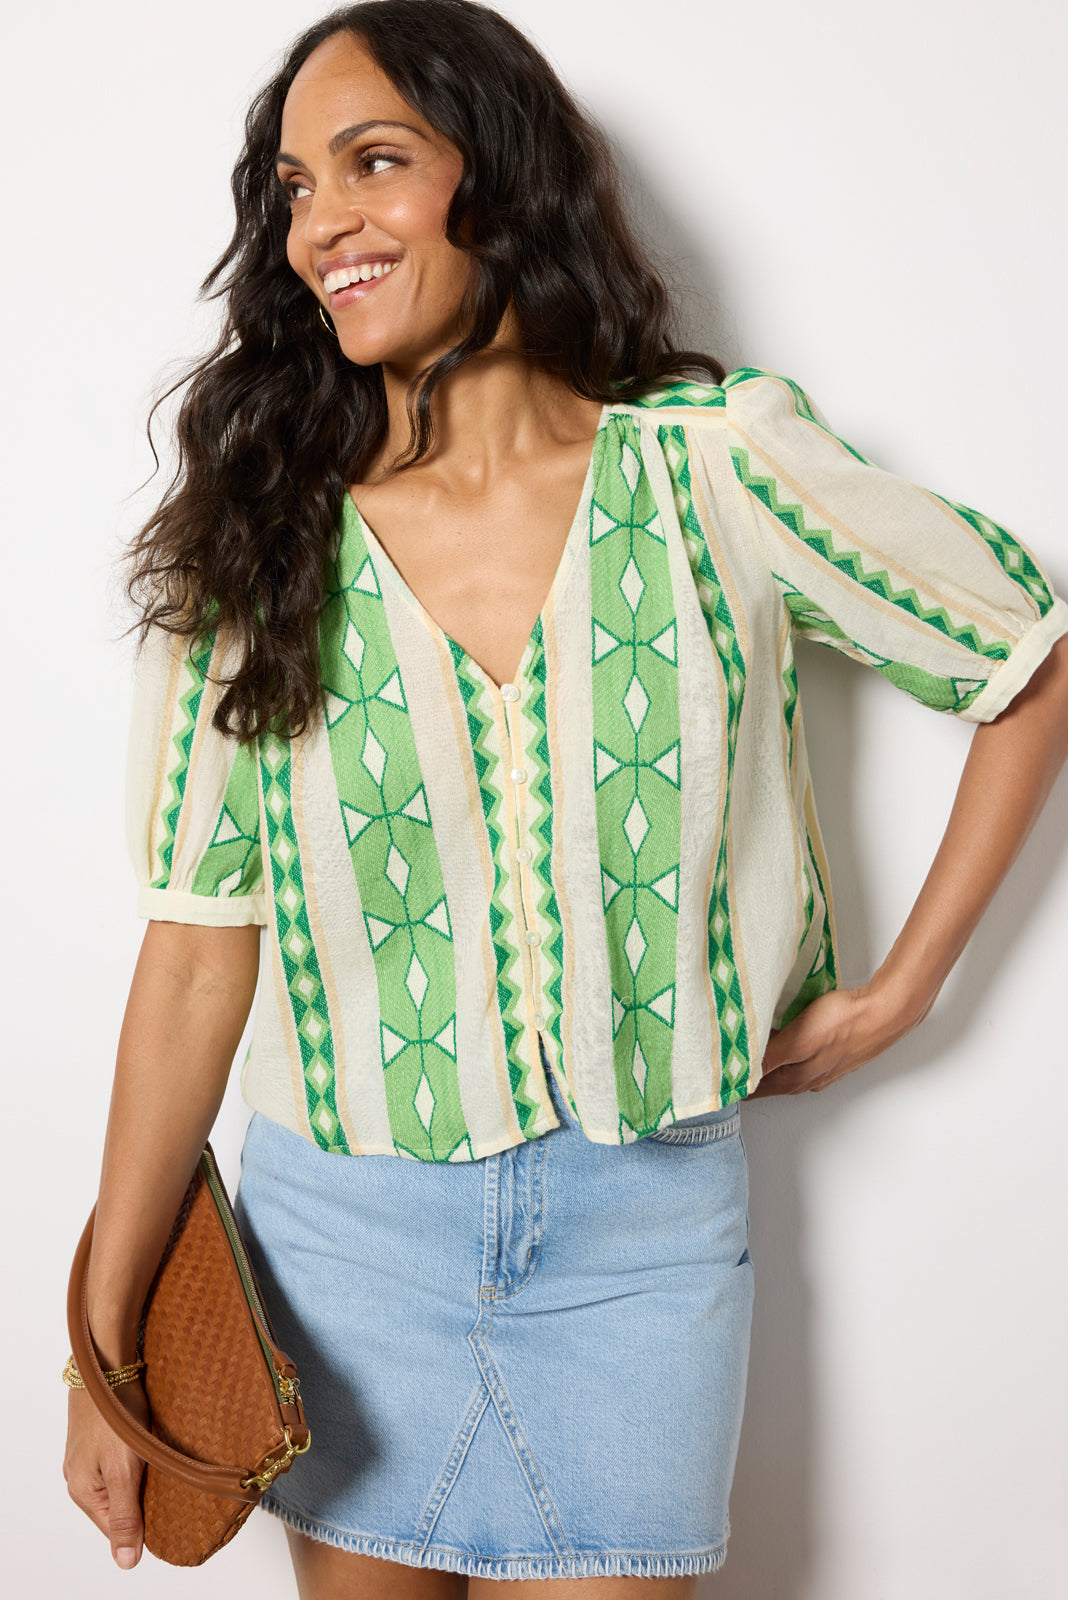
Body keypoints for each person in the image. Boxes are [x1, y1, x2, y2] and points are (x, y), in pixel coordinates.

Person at [63, 1, 1068, 1595]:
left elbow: (1025, 653)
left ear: (501, 171)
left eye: (373, 162)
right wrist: (102, 1352)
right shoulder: (262, 542)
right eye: (294, 189)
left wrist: (907, 991)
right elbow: (194, 952)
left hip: (643, 1247)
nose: (322, 224)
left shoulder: (717, 468)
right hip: (344, 1245)